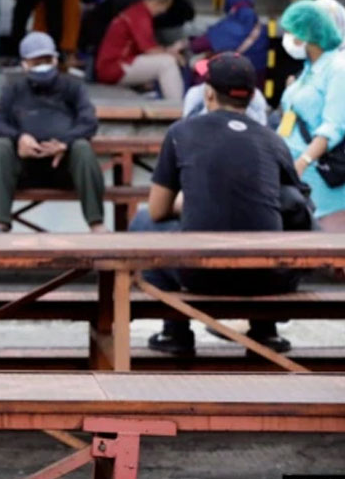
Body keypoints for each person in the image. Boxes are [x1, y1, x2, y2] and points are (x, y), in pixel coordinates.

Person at [130, 53, 312, 355]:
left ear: (208, 92)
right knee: (283, 221)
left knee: (143, 221)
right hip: (266, 277)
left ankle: (175, 331)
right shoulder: (272, 140)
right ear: (252, 95)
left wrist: (191, 204)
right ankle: (264, 330)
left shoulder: (180, 133)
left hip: (200, 275)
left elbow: (159, 209)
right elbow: (297, 205)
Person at [0, 32, 105, 233]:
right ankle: (0, 222)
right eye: (36, 61)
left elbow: (89, 122)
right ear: (25, 64)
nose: (42, 65)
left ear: (55, 60)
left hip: (64, 166)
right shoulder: (13, 90)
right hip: (23, 167)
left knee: (83, 148)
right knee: (0, 147)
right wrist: (19, 139)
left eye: (46, 60)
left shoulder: (73, 87)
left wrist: (64, 143)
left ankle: (96, 223)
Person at [277, 0, 345, 228]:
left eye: (290, 32)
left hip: (321, 178)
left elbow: (334, 126)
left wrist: (303, 161)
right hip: (296, 176)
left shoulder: (338, 68)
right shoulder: (307, 71)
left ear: (307, 35)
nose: (286, 39)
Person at [95, 0, 186, 100]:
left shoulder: (137, 10)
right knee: (167, 62)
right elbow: (149, 50)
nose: (163, 12)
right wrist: (173, 54)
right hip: (114, 67)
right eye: (165, 8)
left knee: (165, 60)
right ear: (159, 4)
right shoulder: (140, 15)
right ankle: (178, 109)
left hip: (115, 64)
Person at [189, 0, 265, 80]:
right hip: (254, 81)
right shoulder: (261, 29)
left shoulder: (228, 25)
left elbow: (196, 47)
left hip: (225, 75)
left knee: (195, 64)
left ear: (231, 8)